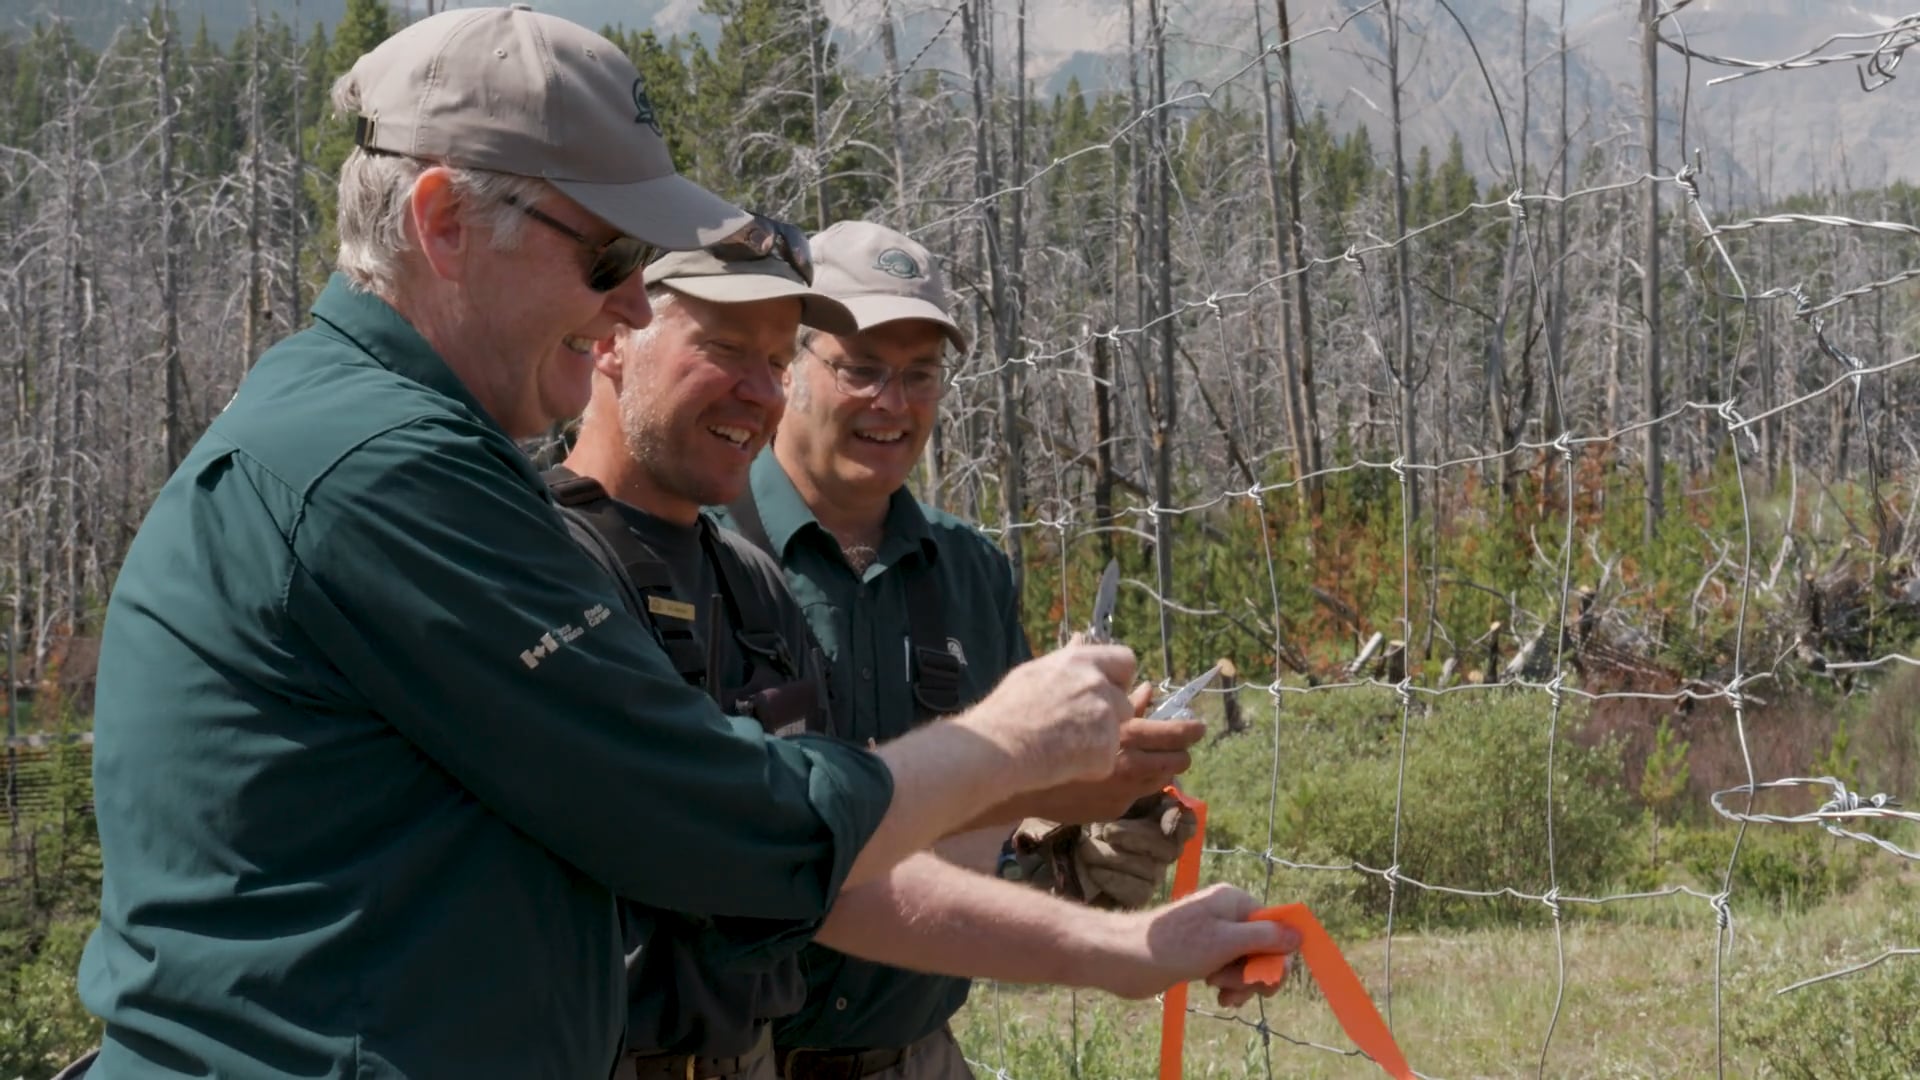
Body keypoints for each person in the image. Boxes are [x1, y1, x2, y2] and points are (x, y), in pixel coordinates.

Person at [70, 11, 1187, 1078]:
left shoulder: (394, 446)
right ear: (443, 223)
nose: (627, 307)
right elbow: (722, 823)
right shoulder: (387, 472)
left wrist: (1087, 897)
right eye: (609, 258)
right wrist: (1009, 747)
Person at [555, 235, 1300, 1080]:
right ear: (612, 332)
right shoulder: (536, 563)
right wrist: (1016, 756)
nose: (889, 402)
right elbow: (773, 843)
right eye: (725, 347)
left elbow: (837, 869)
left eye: (919, 374)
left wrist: (1094, 881)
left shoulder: (754, 583)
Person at [715, 221, 1208, 1080]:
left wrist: (1087, 815)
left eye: (919, 375)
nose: (892, 404)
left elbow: (986, 823)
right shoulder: (702, 546)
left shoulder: (972, 572)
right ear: (788, 365)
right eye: (860, 368)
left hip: (917, 1056)